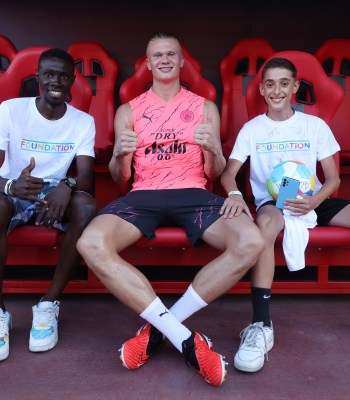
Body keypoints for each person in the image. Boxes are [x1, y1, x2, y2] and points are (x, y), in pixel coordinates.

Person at [77, 32, 265, 386]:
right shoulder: (127, 111)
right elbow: (121, 180)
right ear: (147, 64)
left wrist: (214, 151)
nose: (164, 59)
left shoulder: (205, 106)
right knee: (89, 244)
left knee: (251, 241)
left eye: (171, 54)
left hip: (193, 194)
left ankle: (163, 329)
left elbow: (213, 174)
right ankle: (186, 340)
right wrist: (120, 155)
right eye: (157, 55)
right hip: (142, 196)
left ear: (182, 62)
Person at [220, 57, 350, 373]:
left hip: (313, 198)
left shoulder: (314, 125)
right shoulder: (252, 129)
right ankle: (261, 325)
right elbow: (228, 174)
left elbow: (333, 178)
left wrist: (314, 201)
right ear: (262, 90)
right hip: (273, 202)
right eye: (270, 83)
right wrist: (235, 194)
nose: (276, 89)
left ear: (294, 87)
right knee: (264, 227)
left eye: (283, 83)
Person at [0, 48, 96, 361]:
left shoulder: (83, 122)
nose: (56, 80)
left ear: (72, 80)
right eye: (49, 74)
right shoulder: (10, 110)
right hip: (13, 188)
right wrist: (13, 185)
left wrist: (66, 186)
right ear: (38, 77)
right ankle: (0, 313)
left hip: (52, 191)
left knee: (84, 206)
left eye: (63, 75)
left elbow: (85, 178)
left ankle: (48, 304)